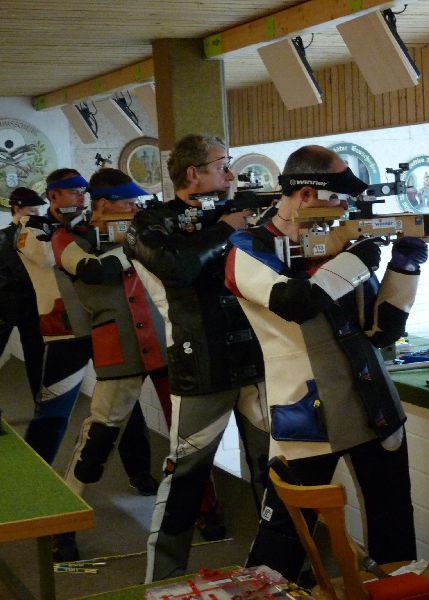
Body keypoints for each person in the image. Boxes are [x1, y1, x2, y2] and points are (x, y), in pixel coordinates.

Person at [225, 144, 426, 581]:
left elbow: (381, 331)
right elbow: (295, 302)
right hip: (307, 413)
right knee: (283, 537)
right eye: (338, 199)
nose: (344, 209)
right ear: (307, 194)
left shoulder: (336, 246)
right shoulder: (248, 248)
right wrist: (354, 260)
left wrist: (406, 266)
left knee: (394, 530)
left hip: (373, 404)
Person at [123, 134, 270, 582]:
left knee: (274, 474)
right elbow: (179, 267)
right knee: (184, 480)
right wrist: (226, 229)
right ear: (193, 173)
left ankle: (279, 570)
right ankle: (161, 581)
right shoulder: (149, 223)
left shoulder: (239, 210)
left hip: (258, 358)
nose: (231, 174)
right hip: (201, 364)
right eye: (222, 164)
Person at [51, 168, 168, 560]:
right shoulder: (68, 238)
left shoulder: (140, 232)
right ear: (103, 204)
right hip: (118, 345)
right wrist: (134, 244)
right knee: (97, 439)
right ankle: (65, 521)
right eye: (127, 201)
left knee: (188, 437)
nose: (135, 207)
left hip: (163, 341)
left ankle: (201, 512)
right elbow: (92, 270)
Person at [0, 188, 45, 400]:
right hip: (4, 308)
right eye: (32, 210)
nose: (37, 215)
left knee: (37, 360)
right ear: (17, 209)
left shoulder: (39, 237)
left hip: (31, 308)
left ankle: (40, 405)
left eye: (38, 210)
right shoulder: (3, 238)